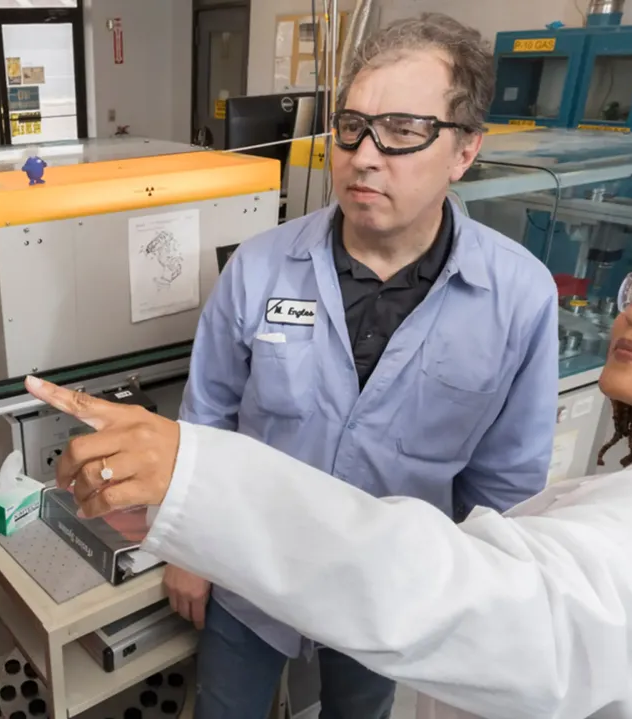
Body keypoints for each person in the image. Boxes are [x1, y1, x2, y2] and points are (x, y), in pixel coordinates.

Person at [27, 187, 632, 718]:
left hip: (368, 586)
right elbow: (214, 396)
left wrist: (199, 486)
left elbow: (474, 589)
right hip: (263, 588)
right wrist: (196, 527)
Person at [168, 13, 559, 718]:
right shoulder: (260, 267)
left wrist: (474, 599)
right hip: (251, 570)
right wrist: (190, 548)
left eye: (403, 131)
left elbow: (504, 480)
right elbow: (206, 417)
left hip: (392, 588)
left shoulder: (518, 296)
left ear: (464, 150)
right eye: (349, 126)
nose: (363, 155)